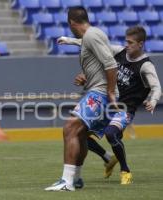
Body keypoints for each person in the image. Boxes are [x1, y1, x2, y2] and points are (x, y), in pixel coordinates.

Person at [57, 26, 162, 184]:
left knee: (111, 133)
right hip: (107, 105)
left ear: (141, 44)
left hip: (124, 109)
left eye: (131, 42)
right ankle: (107, 158)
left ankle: (125, 170)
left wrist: (153, 100)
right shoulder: (119, 51)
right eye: (126, 41)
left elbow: (157, 87)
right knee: (79, 134)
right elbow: (93, 43)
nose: (127, 45)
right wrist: (70, 40)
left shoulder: (146, 66)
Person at [45, 6, 119, 191]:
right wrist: (87, 76)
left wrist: (110, 92)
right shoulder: (91, 36)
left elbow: (111, 64)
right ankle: (76, 179)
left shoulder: (92, 35)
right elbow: (103, 60)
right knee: (80, 134)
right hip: (97, 90)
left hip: (100, 93)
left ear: (71, 22)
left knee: (70, 128)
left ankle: (66, 182)